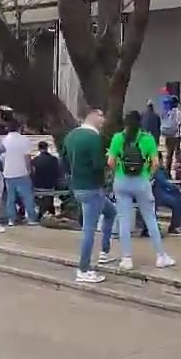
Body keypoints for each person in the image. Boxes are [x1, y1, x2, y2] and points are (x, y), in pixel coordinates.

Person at [108, 110, 175, 271]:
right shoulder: (147, 139)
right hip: (141, 182)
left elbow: (110, 162)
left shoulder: (118, 138)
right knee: (150, 218)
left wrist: (117, 172)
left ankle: (127, 258)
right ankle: (160, 256)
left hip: (121, 182)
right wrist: (148, 176)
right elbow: (156, 163)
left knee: (124, 220)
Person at [63, 109, 117, 283]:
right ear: (92, 115)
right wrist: (108, 157)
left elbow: (63, 161)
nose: (103, 121)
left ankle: (104, 252)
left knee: (110, 211)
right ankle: (83, 269)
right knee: (89, 229)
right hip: (92, 188)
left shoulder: (71, 136)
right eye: (101, 116)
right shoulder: (93, 138)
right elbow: (98, 165)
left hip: (79, 187)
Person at [3, 118, 38, 226]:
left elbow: (2, 157)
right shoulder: (24, 140)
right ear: (19, 128)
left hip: (8, 172)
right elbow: (27, 157)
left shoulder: (4, 140)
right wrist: (29, 169)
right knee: (27, 196)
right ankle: (31, 218)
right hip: (21, 171)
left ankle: (11, 219)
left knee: (10, 198)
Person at [153, 152, 181, 236]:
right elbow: (163, 182)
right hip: (157, 194)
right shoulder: (157, 170)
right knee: (176, 202)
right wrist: (174, 187)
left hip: (161, 192)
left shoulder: (160, 170)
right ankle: (176, 225)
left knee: (178, 197)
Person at [31, 141, 61, 219]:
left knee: (40, 196)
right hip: (50, 185)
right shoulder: (54, 159)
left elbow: (33, 173)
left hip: (38, 186)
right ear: (47, 148)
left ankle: (42, 212)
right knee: (48, 196)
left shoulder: (35, 160)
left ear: (38, 149)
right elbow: (57, 172)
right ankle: (50, 212)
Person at [160, 95, 181, 177]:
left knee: (169, 155)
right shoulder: (179, 113)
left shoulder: (167, 113)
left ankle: (167, 173)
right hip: (177, 137)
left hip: (168, 137)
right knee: (178, 156)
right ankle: (178, 174)